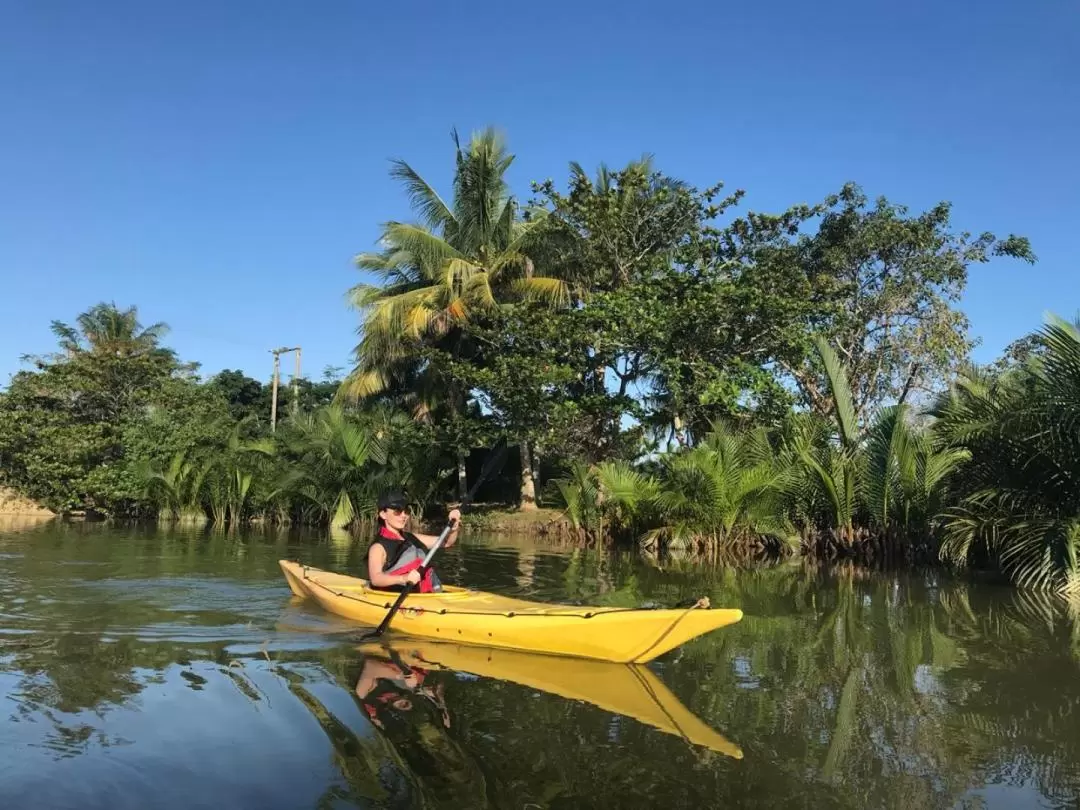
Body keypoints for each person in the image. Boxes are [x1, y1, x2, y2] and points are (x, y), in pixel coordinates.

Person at [367, 490, 461, 593]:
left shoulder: (412, 538)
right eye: (397, 511)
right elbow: (376, 579)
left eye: (406, 510)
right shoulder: (378, 547)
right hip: (396, 596)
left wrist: (453, 528)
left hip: (427, 595)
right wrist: (405, 578)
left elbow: (447, 542)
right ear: (383, 514)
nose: (404, 515)